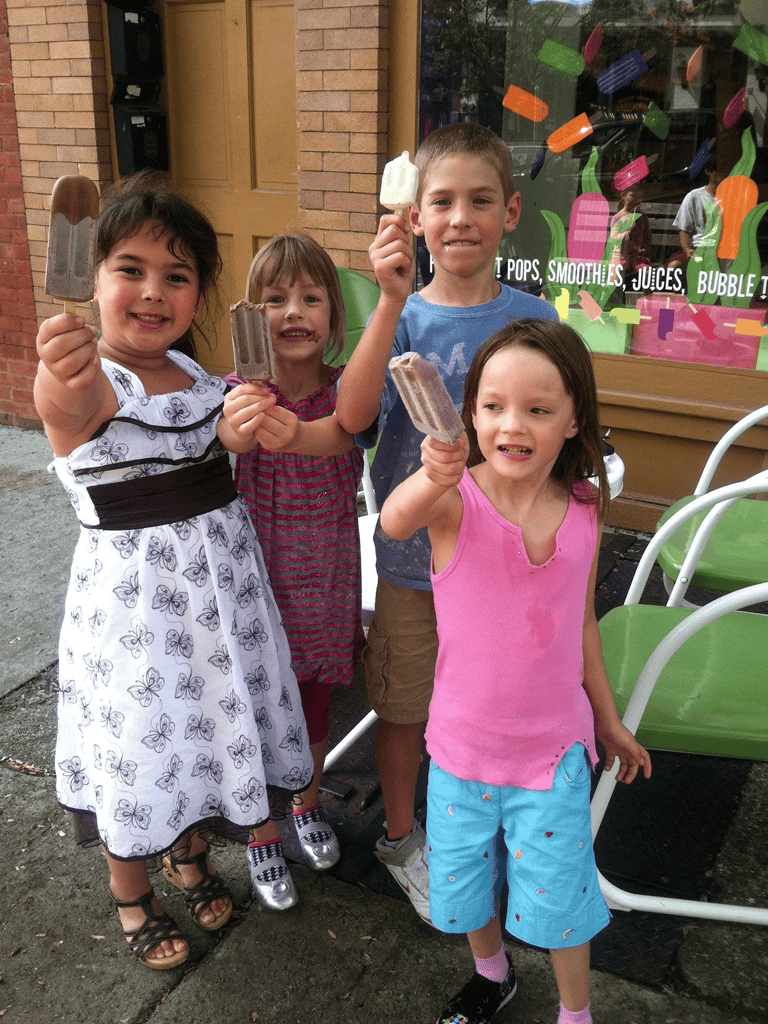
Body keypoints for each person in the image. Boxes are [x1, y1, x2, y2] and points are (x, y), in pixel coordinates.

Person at [34, 172, 315, 970]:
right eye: (130, 270)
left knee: (201, 737)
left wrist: (235, 430)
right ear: (89, 280)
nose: (153, 292)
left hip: (220, 604)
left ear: (199, 295)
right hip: (138, 616)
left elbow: (203, 452)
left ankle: (187, 854)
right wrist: (61, 369)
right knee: (139, 748)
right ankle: (132, 893)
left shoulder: (198, 377)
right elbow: (70, 406)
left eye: (178, 276)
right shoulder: (87, 379)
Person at [379, 318, 652, 1024]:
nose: (513, 424)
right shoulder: (450, 500)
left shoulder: (588, 512)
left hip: (551, 754)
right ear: (469, 413)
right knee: (465, 886)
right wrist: (426, 472)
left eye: (538, 408)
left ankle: (574, 1012)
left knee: (563, 899)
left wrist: (611, 721)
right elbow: (391, 523)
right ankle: (491, 972)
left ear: (573, 421)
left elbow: (581, 626)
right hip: (463, 753)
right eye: (494, 405)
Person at [335, 122, 558, 924]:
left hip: (503, 564)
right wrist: (390, 301)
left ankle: (485, 826)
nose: (460, 217)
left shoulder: (536, 321)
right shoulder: (402, 317)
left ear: (511, 213)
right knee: (403, 706)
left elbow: (562, 434)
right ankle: (401, 834)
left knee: (495, 701)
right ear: (416, 218)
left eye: (480, 201)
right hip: (413, 569)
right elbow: (354, 415)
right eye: (443, 202)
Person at [223, 234, 363, 908]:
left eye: (311, 297)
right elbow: (207, 446)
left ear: (333, 315)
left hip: (327, 572)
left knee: (311, 696)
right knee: (252, 701)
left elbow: (366, 436)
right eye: (275, 300)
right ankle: (259, 832)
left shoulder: (348, 397)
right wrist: (233, 418)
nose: (295, 312)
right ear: (253, 318)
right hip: (256, 577)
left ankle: (307, 804)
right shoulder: (239, 397)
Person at [667, 158, 724, 269]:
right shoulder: (694, 196)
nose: (725, 176)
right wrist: (688, 249)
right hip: (699, 249)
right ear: (708, 171)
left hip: (721, 251)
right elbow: (684, 230)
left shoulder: (732, 198)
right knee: (673, 266)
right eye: (721, 171)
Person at [608, 184, 652, 287]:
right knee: (617, 269)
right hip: (621, 255)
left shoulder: (642, 218)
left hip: (638, 256)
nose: (635, 199)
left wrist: (645, 248)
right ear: (623, 195)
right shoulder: (618, 217)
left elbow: (647, 237)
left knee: (645, 273)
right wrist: (628, 233)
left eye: (637, 196)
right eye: (632, 195)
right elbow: (614, 238)